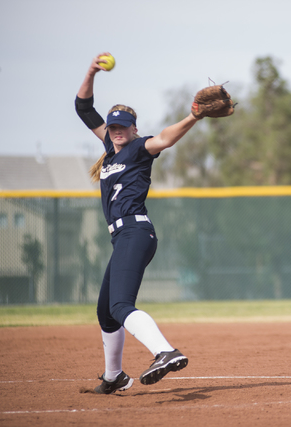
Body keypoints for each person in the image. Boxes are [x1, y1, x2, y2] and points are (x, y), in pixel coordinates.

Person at [75, 53, 230, 394]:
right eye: (112, 126)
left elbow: (166, 138)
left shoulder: (139, 148)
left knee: (120, 305)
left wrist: (193, 116)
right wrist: (90, 72)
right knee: (106, 311)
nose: (116, 131)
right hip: (123, 238)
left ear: (133, 129)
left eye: (122, 127)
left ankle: (165, 351)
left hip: (136, 231)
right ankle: (114, 376)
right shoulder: (110, 148)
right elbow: (84, 108)